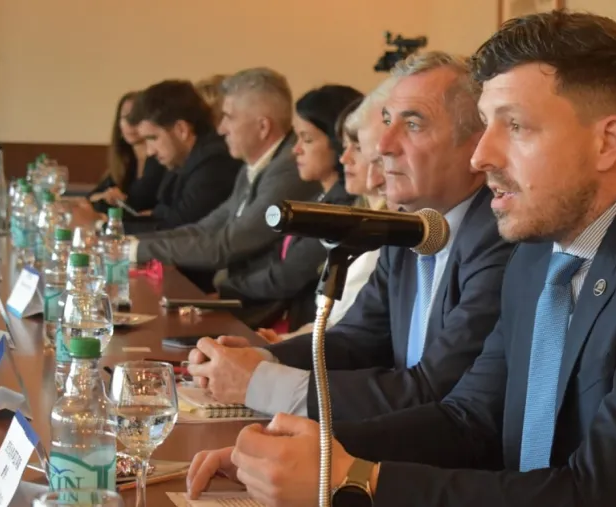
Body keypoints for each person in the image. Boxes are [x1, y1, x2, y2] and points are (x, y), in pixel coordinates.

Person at [186, 11, 616, 507]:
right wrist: (297, 452)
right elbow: (470, 419)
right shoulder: (537, 254)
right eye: (485, 123)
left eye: (515, 126)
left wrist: (359, 480)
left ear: (607, 140)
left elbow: (604, 492)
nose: (482, 154)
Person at [186, 51, 515, 422]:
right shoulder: (411, 224)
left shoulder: (498, 236)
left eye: (413, 124)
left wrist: (259, 383)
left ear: (475, 145)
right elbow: (357, 339)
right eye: (387, 121)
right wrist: (260, 358)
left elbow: (433, 390)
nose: (383, 145)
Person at [127, 68, 320, 292]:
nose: (220, 129)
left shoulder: (289, 170)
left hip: (258, 303)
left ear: (263, 127)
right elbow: (205, 229)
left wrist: (133, 251)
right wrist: (132, 244)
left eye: (229, 117)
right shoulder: (252, 166)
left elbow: (228, 245)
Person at [214, 84, 363, 328]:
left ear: (338, 143)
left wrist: (226, 288)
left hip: (303, 329)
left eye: (307, 139)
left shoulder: (343, 209)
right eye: (297, 137)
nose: (296, 150)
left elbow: (289, 275)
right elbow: (277, 260)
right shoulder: (320, 197)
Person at [260, 79, 398, 342]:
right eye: (344, 146)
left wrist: (282, 346)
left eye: (358, 147)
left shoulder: (379, 226)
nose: (345, 158)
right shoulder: (354, 211)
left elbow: (352, 329)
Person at [124, 79, 243, 234]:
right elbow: (162, 217)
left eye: (153, 138)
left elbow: (177, 230)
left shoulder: (215, 164)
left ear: (181, 130)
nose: (150, 152)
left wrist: (105, 227)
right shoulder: (181, 160)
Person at [86, 91, 166, 215]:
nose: (130, 124)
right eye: (125, 118)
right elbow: (90, 197)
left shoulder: (163, 159)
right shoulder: (125, 160)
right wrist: (105, 196)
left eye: (136, 117)